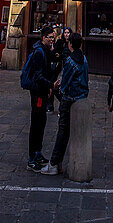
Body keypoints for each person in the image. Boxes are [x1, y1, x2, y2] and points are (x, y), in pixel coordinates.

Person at [42, 31, 89, 174]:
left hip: (69, 98)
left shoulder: (70, 61)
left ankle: (54, 163)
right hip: (81, 97)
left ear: (70, 44)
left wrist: (57, 87)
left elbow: (66, 83)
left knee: (63, 131)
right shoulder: (84, 59)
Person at [26, 25, 55, 170]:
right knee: (36, 123)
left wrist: (48, 87)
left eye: (53, 37)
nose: (52, 40)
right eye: (50, 37)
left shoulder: (45, 50)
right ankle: (32, 158)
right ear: (43, 37)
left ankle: (38, 153)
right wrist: (50, 84)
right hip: (37, 93)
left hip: (43, 91)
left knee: (41, 122)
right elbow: (38, 76)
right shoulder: (39, 52)